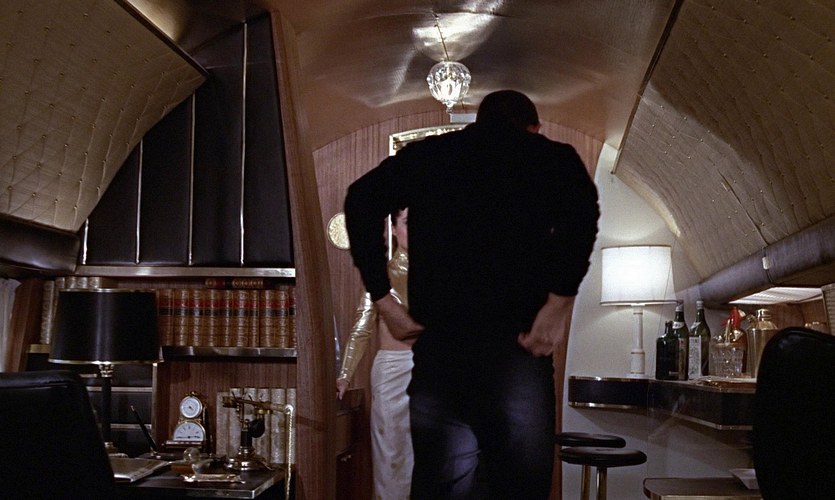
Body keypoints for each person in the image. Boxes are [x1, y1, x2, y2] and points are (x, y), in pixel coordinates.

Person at [344, 90, 599, 499]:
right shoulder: (549, 156)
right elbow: (582, 216)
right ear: (533, 128)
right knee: (518, 489)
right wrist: (558, 304)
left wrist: (382, 297)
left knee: (442, 489)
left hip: (442, 352)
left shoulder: (429, 156)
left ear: (477, 122)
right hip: (518, 351)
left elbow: (361, 199)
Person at [336, 207, 414, 500]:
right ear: (393, 228)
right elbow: (362, 327)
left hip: (431, 372)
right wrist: (345, 375)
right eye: (408, 222)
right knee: (391, 458)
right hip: (393, 371)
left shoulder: (440, 274)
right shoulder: (384, 274)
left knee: (429, 457)